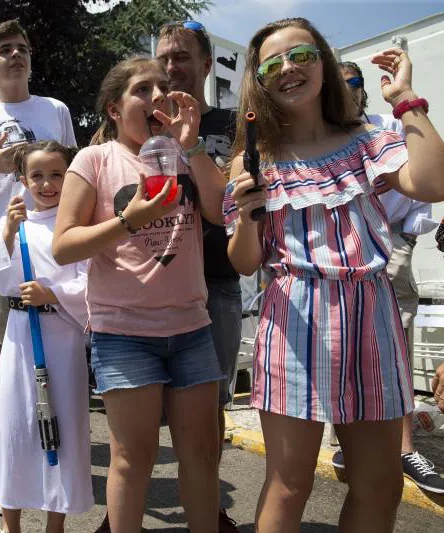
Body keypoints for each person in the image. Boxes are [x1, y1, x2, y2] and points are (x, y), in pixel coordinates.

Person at [223, 18, 444, 532]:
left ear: (322, 60)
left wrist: (407, 98)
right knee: (289, 482)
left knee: (381, 483)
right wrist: (249, 215)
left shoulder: (367, 138)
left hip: (372, 315)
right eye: (272, 63)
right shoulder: (254, 159)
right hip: (294, 317)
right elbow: (244, 262)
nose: (288, 70)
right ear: (259, 79)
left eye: (300, 56)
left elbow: (431, 183)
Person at [52, 56, 227, 532]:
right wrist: (131, 220)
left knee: (202, 453)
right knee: (134, 458)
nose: (157, 97)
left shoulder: (183, 152)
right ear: (114, 109)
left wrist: (192, 149)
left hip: (192, 327)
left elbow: (219, 212)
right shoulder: (95, 160)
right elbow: (64, 245)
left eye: (162, 88)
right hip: (124, 333)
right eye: (142, 90)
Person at [0, 19, 77, 506]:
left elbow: (73, 175)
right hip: (1, 244)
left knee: (56, 343)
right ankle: (4, 470)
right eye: (4, 50)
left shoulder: (56, 110)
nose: (15, 55)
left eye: (22, 48)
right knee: (1, 351)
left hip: (53, 239)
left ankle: (56, 461)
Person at [336, 61, 444, 494]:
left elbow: (429, 175)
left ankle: (403, 450)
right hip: (344, 250)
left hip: (392, 242)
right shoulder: (323, 137)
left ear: (366, 89)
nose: (347, 93)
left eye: (354, 84)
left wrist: (405, 98)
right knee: (343, 347)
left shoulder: (386, 126)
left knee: (395, 348)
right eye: (338, 86)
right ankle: (345, 441)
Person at [156, 20, 242, 531]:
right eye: (165, 57)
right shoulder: (141, 121)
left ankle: (206, 508)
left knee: (209, 406)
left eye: (183, 56)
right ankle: (123, 509)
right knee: (144, 407)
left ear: (207, 63)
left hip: (216, 284)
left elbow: (232, 199)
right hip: (151, 286)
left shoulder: (233, 125)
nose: (171, 67)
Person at [0, 141, 92, 533]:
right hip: (18, 337)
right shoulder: (17, 223)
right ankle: (11, 522)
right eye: (37, 176)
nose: (47, 184)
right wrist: (8, 233)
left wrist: (54, 294)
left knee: (62, 428)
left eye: (57, 174)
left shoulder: (79, 223)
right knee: (14, 428)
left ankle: (54, 524)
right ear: (23, 180)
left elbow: (91, 283)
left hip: (62, 337)